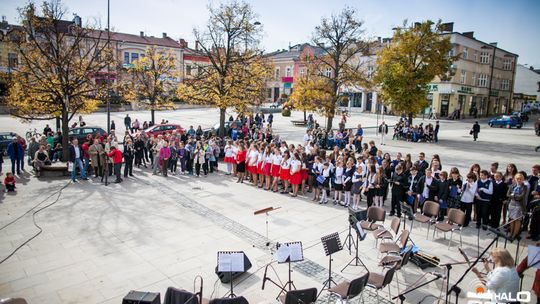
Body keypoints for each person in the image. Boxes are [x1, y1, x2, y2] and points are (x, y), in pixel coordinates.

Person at [507, 173, 527, 240]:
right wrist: (514, 196)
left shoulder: (524, 187)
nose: (519, 180)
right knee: (512, 219)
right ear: (515, 179)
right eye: (517, 179)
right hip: (511, 204)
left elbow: (521, 196)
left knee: (517, 220)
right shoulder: (512, 185)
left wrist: (513, 196)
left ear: (523, 179)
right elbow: (508, 194)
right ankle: (511, 233)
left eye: (520, 179)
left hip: (519, 205)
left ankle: (514, 235)